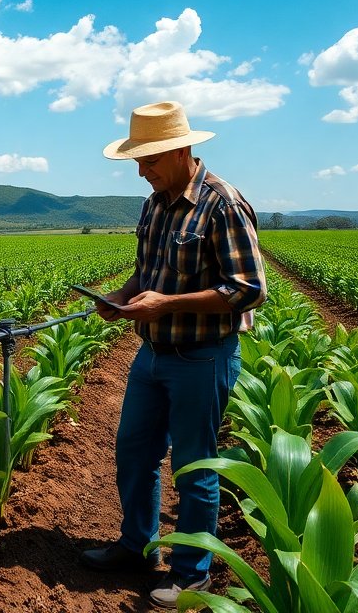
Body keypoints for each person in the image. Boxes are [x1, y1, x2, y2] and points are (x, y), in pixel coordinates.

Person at [78, 100, 266, 609]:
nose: (142, 171)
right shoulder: (156, 203)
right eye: (138, 161)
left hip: (202, 357)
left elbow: (249, 289)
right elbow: (149, 271)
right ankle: (137, 547)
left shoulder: (222, 204)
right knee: (134, 452)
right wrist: (120, 297)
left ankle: (190, 574)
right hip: (152, 354)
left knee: (194, 468)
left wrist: (168, 304)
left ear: (181, 150)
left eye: (150, 160)